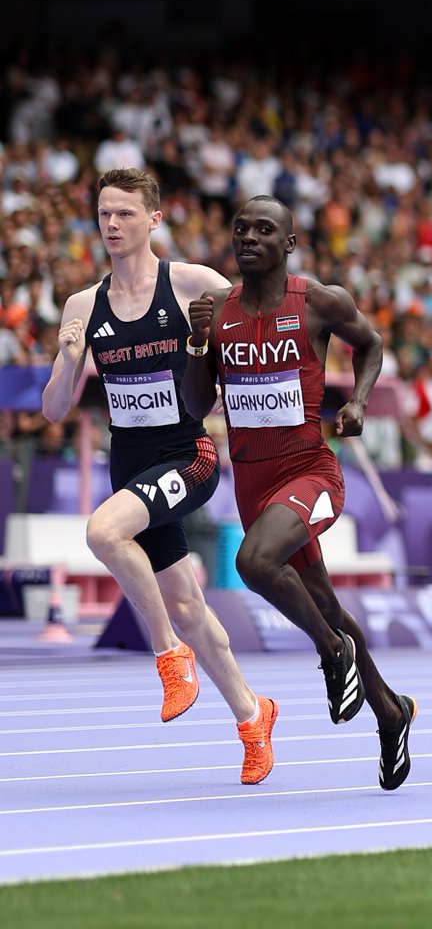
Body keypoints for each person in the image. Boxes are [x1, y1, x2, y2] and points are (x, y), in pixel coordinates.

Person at [41, 168, 277, 786]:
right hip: (131, 465)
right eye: (103, 215)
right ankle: (254, 718)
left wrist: (235, 382)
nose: (112, 225)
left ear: (154, 219)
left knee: (101, 532)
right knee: (190, 604)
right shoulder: (82, 305)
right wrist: (69, 362)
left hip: (189, 456)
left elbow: (257, 323)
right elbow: (53, 409)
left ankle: (168, 656)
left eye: (124, 214)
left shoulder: (192, 283)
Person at [181, 194, 416, 790]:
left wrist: (358, 400)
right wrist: (195, 345)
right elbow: (196, 403)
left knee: (254, 561)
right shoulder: (217, 311)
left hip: (312, 474)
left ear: (288, 242)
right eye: (240, 229)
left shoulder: (318, 301)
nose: (249, 238)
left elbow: (372, 344)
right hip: (254, 485)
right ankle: (392, 711)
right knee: (327, 606)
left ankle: (333, 653)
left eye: (265, 229)